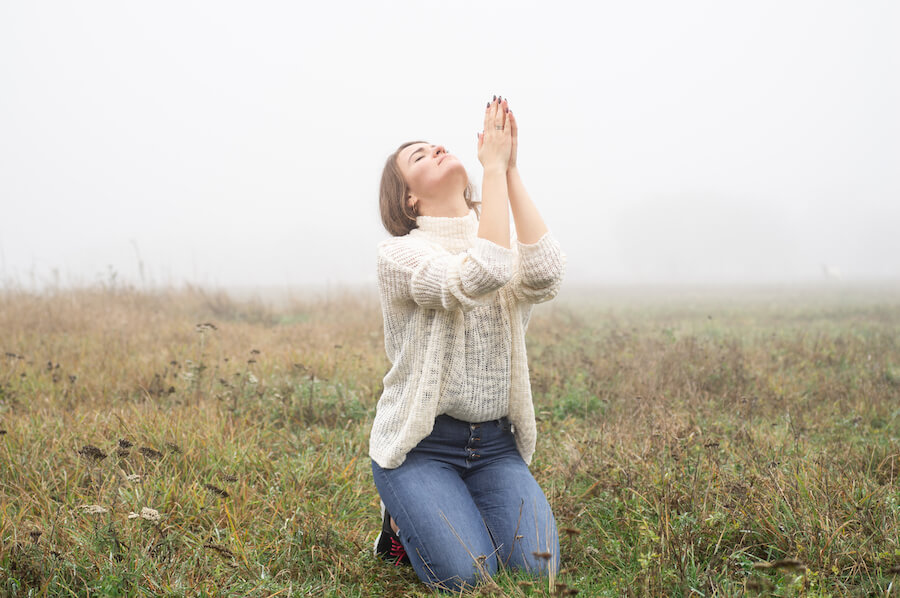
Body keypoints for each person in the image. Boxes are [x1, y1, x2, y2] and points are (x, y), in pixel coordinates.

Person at [370, 95, 565, 593]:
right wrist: (492, 172)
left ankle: (455, 506)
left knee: (536, 570)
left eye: (435, 145)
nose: (435, 148)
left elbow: (544, 275)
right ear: (409, 199)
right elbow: (483, 273)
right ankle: (398, 523)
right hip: (422, 446)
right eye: (419, 156)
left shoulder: (491, 232)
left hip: (497, 446)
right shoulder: (401, 256)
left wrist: (510, 170)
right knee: (464, 578)